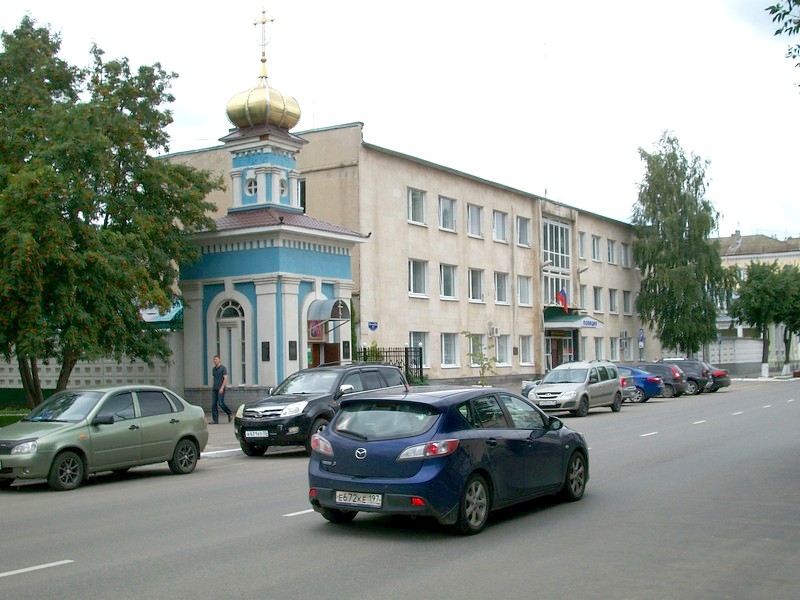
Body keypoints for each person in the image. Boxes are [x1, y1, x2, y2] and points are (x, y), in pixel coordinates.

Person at [211, 355, 233, 424]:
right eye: (214, 359)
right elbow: (214, 378)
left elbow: (225, 378)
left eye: (216, 359)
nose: (215, 361)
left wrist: (222, 387)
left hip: (221, 388)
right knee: (213, 404)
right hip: (215, 389)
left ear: (219, 360)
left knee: (221, 403)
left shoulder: (223, 368)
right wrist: (213, 385)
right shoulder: (214, 369)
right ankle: (215, 420)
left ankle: (229, 413)